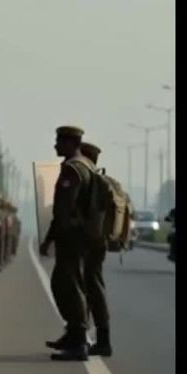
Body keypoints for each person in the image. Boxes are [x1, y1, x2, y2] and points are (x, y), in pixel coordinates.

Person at [40, 126, 94, 362]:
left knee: (68, 285)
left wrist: (50, 238)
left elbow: (63, 209)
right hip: (82, 236)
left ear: (71, 143)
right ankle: (73, 334)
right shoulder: (87, 165)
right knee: (69, 283)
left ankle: (79, 340)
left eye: (59, 141)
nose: (55, 145)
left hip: (72, 236)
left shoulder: (72, 169)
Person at [75, 142, 112, 357]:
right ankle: (87, 336)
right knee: (91, 287)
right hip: (96, 242)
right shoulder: (96, 180)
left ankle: (100, 340)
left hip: (91, 242)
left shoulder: (92, 182)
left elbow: (89, 216)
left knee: (92, 288)